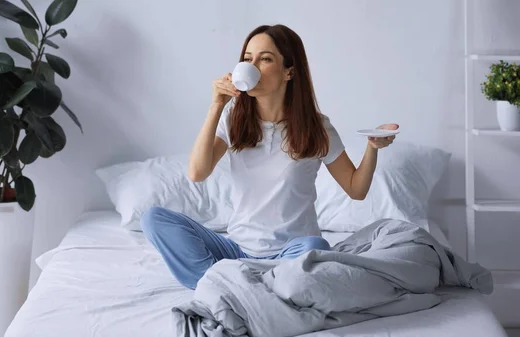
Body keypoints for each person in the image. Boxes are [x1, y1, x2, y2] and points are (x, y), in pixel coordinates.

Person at [141, 24, 398, 289]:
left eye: (265, 59)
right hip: (237, 251)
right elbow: (197, 172)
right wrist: (217, 106)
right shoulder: (232, 119)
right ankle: (252, 288)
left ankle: (232, 287)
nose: (252, 66)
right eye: (247, 59)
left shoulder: (317, 127)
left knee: (314, 247)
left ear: (290, 71)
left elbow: (356, 189)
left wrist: (372, 147)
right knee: (153, 219)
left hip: (291, 253)